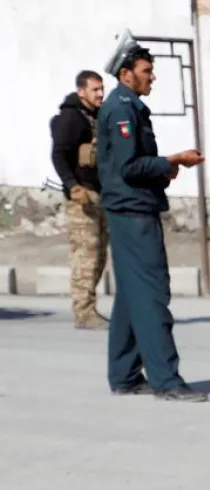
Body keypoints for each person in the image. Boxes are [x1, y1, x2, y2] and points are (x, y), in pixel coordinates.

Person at [96, 43, 206, 401]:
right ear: (126, 74)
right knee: (152, 293)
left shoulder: (127, 107)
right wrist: (171, 160)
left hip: (132, 208)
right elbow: (129, 167)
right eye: (146, 71)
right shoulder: (122, 110)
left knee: (131, 293)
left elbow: (129, 165)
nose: (152, 76)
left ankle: (124, 375)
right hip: (132, 213)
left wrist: (163, 170)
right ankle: (166, 380)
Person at [50, 70, 109, 330]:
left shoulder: (97, 116)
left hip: (100, 193)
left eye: (101, 89)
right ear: (81, 91)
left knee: (99, 254)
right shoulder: (70, 118)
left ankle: (89, 306)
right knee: (86, 253)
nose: (100, 94)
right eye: (94, 89)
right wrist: (72, 186)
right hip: (80, 197)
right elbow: (59, 155)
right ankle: (84, 312)